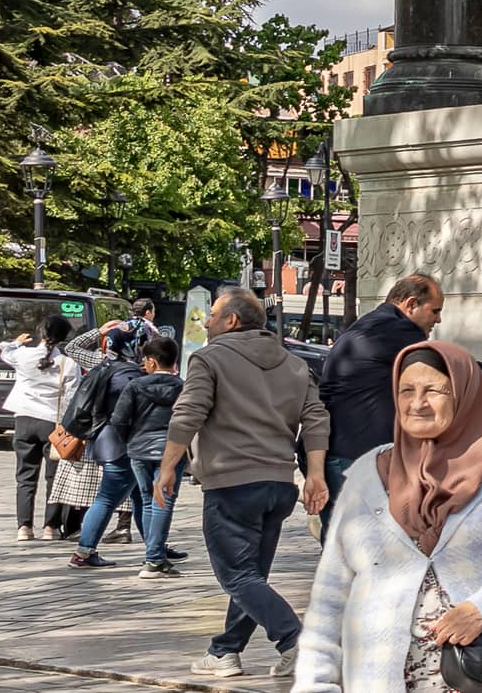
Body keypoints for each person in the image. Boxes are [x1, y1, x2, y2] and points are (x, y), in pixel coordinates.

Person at [290, 339, 482, 693]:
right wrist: (315, 684)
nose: (417, 402)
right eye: (406, 390)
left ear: (463, 393)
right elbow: (331, 592)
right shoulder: (368, 475)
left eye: (434, 390)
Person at [157, 289, 334, 674]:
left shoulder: (209, 358)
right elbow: (316, 419)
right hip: (278, 483)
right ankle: (225, 651)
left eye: (213, 315)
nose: (207, 322)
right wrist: (316, 475)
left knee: (237, 576)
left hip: (232, 481)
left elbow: (188, 413)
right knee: (252, 576)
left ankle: (295, 639)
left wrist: (167, 466)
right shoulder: (294, 364)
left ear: (231, 320)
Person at [318, 274, 482, 471]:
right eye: (435, 311)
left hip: (338, 454)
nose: (438, 319)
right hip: (357, 460)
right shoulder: (394, 330)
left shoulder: (372, 325)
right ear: (411, 304)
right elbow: (453, 367)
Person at [73, 330, 188, 572]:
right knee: (160, 502)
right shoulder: (182, 386)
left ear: (151, 361)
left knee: (144, 500)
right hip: (169, 451)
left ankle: (154, 550)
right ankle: (154, 555)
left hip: (135, 449)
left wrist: (132, 441)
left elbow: (120, 419)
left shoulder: (122, 376)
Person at [4, 308, 81, 541]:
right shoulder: (68, 363)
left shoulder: (24, 356)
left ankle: (24, 527)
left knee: (25, 476)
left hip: (24, 418)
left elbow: (6, 354)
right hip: (52, 422)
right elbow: (71, 397)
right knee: (54, 477)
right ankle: (51, 526)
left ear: (40, 332)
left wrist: (17, 343)